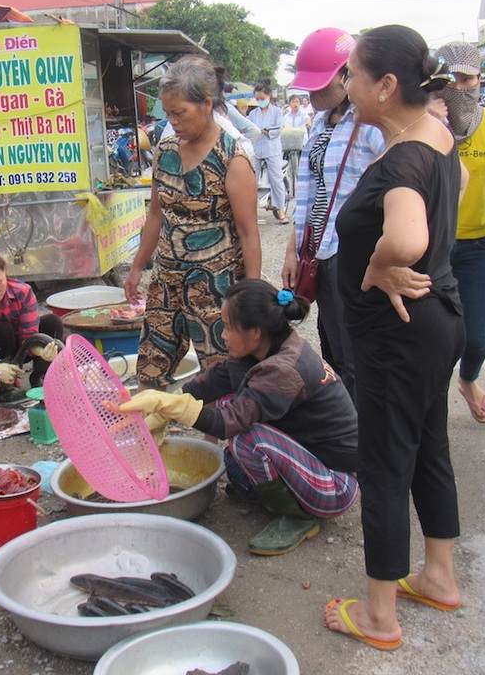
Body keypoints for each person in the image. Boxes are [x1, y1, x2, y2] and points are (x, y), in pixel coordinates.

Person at [323, 25, 466, 651]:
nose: (345, 84)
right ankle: (437, 575)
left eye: (352, 74)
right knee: (428, 444)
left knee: (384, 462)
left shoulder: (405, 155)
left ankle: (379, 615)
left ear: (384, 85)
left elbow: (409, 237)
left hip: (398, 334)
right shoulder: (435, 135)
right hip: (437, 321)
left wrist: (380, 264)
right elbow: (450, 196)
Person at [117, 279, 358, 555]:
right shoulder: (265, 347)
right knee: (232, 425)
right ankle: (277, 494)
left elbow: (226, 424)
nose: (223, 336)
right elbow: (211, 384)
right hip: (309, 461)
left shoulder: (284, 369)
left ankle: (298, 517)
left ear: (255, 332)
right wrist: (163, 407)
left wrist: (171, 406)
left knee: (246, 437)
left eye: (229, 328)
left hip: (336, 483)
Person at [124, 55, 261, 387]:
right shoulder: (165, 148)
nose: (173, 122)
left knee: (220, 373)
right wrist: (138, 267)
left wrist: (250, 297)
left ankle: (223, 438)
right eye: (168, 114)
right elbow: (156, 213)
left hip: (216, 287)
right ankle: (151, 435)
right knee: (151, 366)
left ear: (206, 105)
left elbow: (248, 232)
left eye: (179, 113)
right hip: (167, 281)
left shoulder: (233, 158)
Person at [281, 27, 385, 398]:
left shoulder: (372, 126)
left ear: (347, 74)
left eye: (319, 84)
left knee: (355, 352)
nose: (310, 94)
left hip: (353, 254)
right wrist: (294, 250)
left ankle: (359, 437)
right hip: (320, 253)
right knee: (332, 342)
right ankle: (345, 422)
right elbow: (308, 196)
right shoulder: (321, 124)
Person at [431, 41, 485, 424]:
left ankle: (469, 380)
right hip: (434, 246)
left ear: (480, 80)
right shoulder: (426, 125)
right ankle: (433, 405)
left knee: (476, 339)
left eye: (469, 79)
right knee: (439, 337)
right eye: (453, 79)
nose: (461, 88)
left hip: (477, 243)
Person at [0, 250, 62, 394]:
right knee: (2, 327)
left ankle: (40, 376)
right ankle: (4, 385)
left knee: (53, 322)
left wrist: (42, 351)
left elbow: (29, 336)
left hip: (20, 346)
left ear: (5, 273)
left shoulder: (23, 291)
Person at [246, 79, 289, 223]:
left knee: (276, 179)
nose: (259, 101)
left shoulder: (277, 112)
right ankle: (251, 213)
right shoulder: (252, 114)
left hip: (272, 149)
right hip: (256, 149)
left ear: (269, 96)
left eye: (262, 99)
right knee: (251, 180)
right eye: (257, 99)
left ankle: (281, 211)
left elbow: (278, 129)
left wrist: (265, 132)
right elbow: (249, 130)